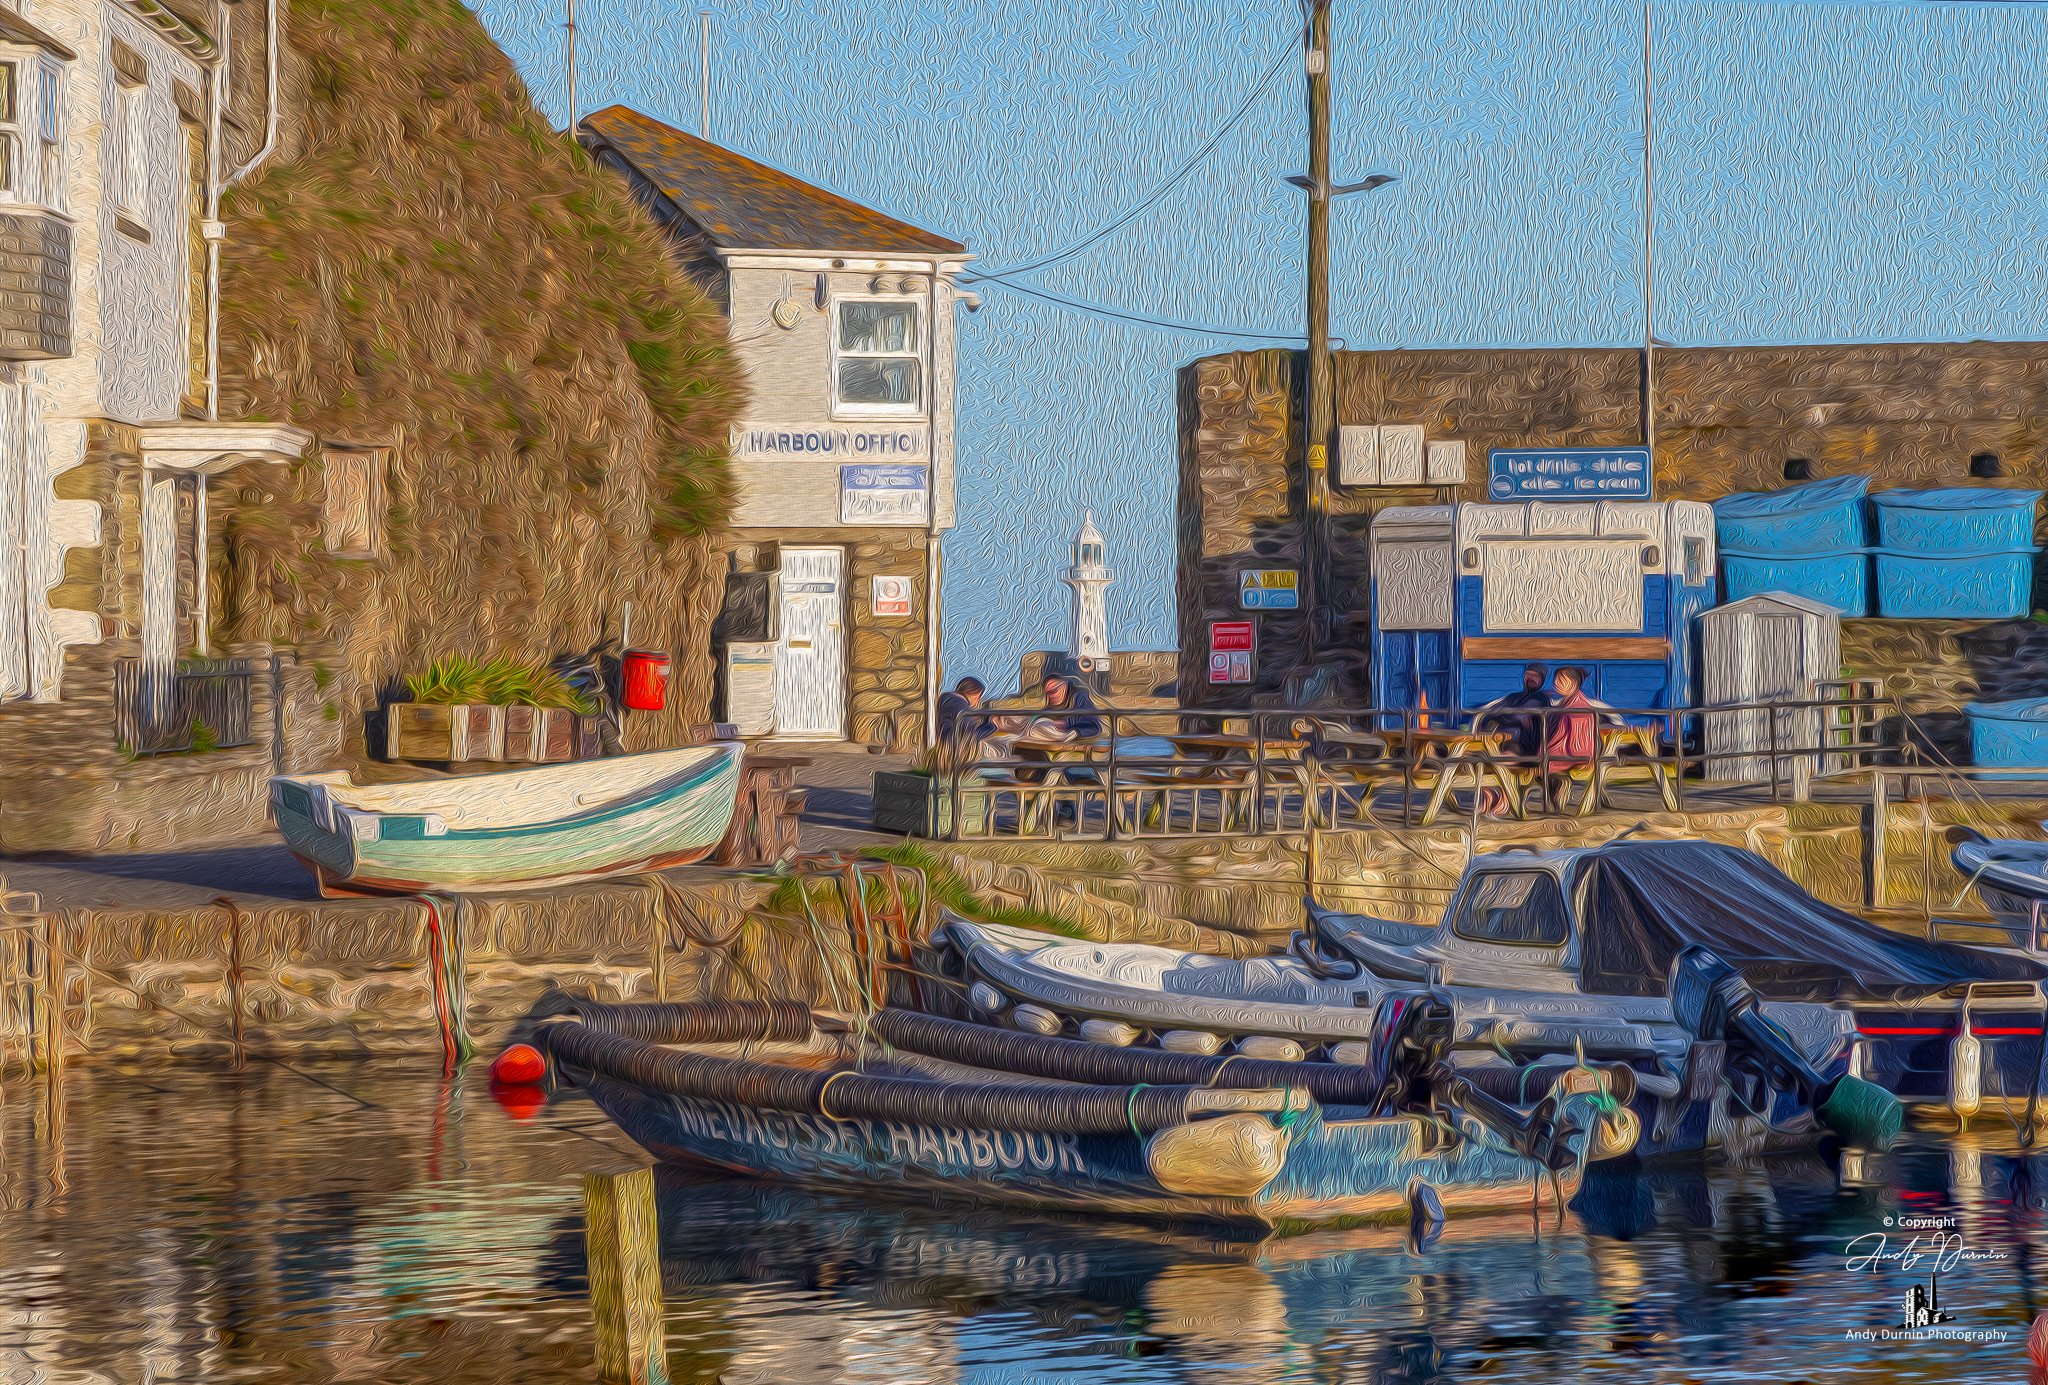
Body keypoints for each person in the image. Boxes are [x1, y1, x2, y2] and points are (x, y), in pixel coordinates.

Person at [1475, 663, 1553, 816]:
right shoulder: (1514, 697)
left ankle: (1505, 798)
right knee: (1479, 758)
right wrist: (1491, 720)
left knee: (1501, 761)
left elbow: (1518, 715)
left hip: (1527, 748)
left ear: (1541, 680)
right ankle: (1489, 796)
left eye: (1535, 676)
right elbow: (1490, 713)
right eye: (1528, 675)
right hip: (1504, 743)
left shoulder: (1541, 699)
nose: (1530, 679)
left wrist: (1499, 718)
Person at [1543, 666, 1599, 809]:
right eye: (1556, 680)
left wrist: (1544, 752)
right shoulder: (1565, 703)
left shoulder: (1578, 707)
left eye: (1562, 680)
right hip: (1569, 752)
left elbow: (1576, 741)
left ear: (1573, 683)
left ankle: (1559, 790)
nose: (1557, 683)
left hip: (1573, 753)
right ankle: (1556, 797)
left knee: (1539, 765)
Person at [936, 676, 985, 743]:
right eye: (979, 696)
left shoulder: (948, 699)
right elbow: (969, 733)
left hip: (947, 740)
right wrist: (991, 726)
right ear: (974, 693)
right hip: (952, 743)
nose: (979, 700)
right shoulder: (957, 704)